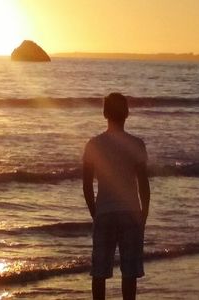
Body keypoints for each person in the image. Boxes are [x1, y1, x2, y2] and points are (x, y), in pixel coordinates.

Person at [83, 92, 150, 300]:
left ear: (104, 114)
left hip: (105, 211)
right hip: (131, 211)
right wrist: (144, 213)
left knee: (100, 273)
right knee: (129, 274)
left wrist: (96, 212)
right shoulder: (136, 144)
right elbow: (143, 184)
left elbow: (86, 185)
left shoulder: (94, 144)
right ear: (127, 114)